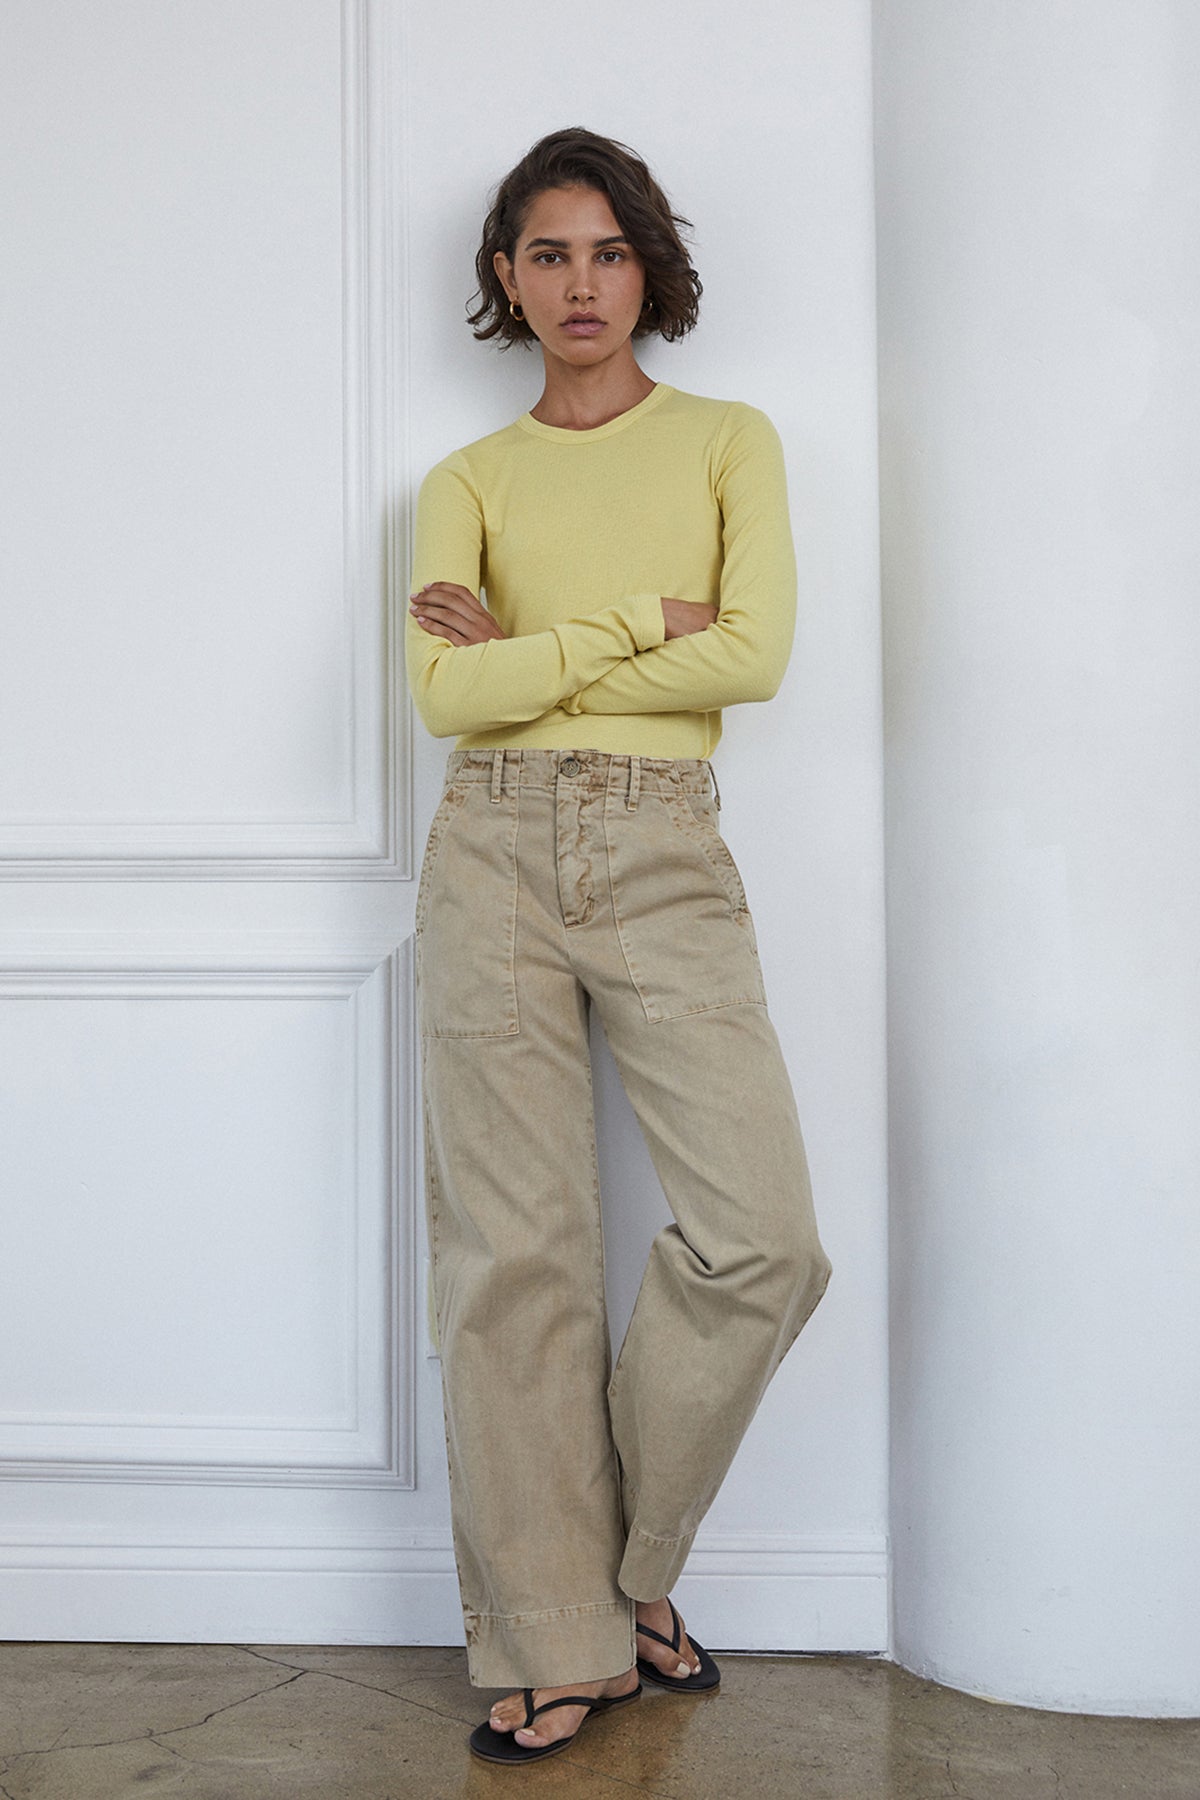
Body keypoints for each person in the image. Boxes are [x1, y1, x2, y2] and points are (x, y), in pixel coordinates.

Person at [405, 126, 833, 1767]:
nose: (581, 284)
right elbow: (448, 695)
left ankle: (621, 1575)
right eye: (547, 254)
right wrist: (628, 627)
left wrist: (532, 649)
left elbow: (759, 651)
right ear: (506, 280)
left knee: (765, 1242)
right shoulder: (468, 482)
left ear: (650, 265)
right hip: (491, 847)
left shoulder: (731, 439)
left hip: (662, 852)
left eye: (609, 251)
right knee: (513, 1262)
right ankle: (560, 1643)